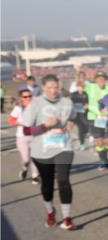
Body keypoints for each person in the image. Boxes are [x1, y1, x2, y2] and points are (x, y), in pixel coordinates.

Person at [20, 74, 76, 230]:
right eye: (50, 87)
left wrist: (71, 123)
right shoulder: (36, 104)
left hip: (63, 147)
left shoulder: (67, 102)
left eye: (56, 87)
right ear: (43, 87)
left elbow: (73, 116)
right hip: (41, 150)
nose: (53, 90)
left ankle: (67, 218)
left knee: (64, 180)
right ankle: (51, 212)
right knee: (47, 185)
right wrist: (45, 126)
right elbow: (25, 130)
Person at [8, 87, 41, 184]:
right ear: (21, 98)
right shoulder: (18, 108)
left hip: (35, 136)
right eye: (25, 96)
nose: (28, 98)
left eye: (29, 96)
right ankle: (24, 167)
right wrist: (21, 122)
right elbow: (11, 120)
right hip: (22, 137)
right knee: (26, 158)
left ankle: (35, 176)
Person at [84, 72, 108, 170]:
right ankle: (104, 161)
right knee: (99, 140)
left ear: (106, 80)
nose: (100, 81)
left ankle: (104, 156)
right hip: (94, 117)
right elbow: (79, 85)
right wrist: (78, 72)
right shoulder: (90, 87)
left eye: (103, 79)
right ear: (95, 80)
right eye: (98, 79)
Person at [69, 71, 89, 148]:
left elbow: (89, 100)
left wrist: (88, 105)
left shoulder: (86, 94)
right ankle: (82, 143)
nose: (80, 88)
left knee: (86, 126)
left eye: (81, 87)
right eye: (78, 87)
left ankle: (85, 133)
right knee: (79, 128)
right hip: (76, 113)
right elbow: (70, 101)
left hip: (84, 113)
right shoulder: (74, 94)